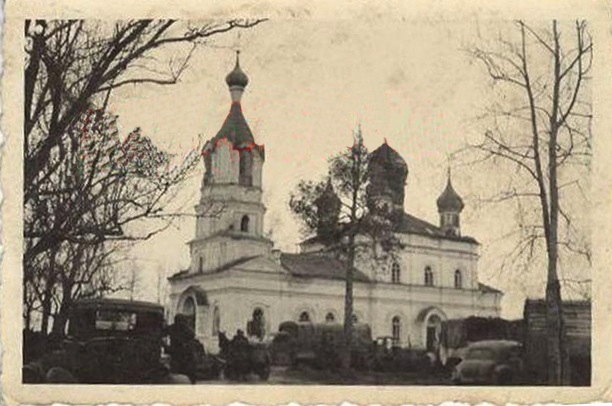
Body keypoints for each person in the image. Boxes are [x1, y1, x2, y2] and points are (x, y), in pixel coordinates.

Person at [165, 314, 198, 384]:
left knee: (177, 377)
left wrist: (165, 346)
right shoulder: (186, 329)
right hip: (183, 357)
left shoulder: (174, 328)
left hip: (180, 357)